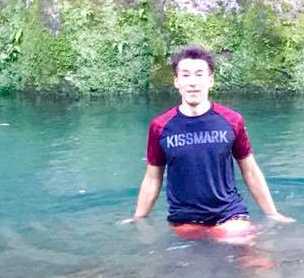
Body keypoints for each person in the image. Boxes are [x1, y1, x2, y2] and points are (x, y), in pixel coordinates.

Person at [122, 45, 294, 241]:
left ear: (210, 80)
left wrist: (273, 214)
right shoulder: (160, 127)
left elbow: (250, 171)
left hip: (229, 213)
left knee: (244, 246)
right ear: (177, 81)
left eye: (199, 75)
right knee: (198, 256)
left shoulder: (232, 121)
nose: (193, 83)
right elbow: (153, 178)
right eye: (186, 75)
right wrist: (139, 219)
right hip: (185, 219)